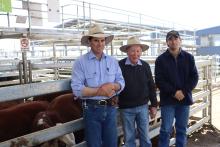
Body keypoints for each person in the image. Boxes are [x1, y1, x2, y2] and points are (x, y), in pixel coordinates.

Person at [71, 23, 125, 147]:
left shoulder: (112, 61)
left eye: (102, 40)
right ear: (90, 42)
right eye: (96, 40)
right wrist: (100, 91)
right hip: (91, 109)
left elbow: (121, 82)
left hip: (111, 108)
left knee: (111, 144)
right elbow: (77, 89)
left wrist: (113, 86)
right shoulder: (80, 62)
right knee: (94, 144)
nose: (100, 44)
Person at [155, 30, 199, 147]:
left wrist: (183, 92)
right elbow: (159, 80)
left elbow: (194, 77)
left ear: (180, 40)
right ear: (167, 42)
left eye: (175, 39)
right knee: (165, 130)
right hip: (168, 101)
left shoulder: (189, 58)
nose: (173, 41)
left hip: (184, 100)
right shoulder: (160, 60)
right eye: (170, 39)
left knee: (182, 129)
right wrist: (174, 92)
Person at [118, 36, 158, 147]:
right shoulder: (120, 66)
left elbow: (151, 86)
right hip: (126, 108)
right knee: (129, 139)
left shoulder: (145, 66)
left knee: (145, 137)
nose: (135, 54)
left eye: (138, 51)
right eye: (132, 51)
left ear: (141, 52)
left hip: (143, 107)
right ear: (127, 51)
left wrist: (154, 105)